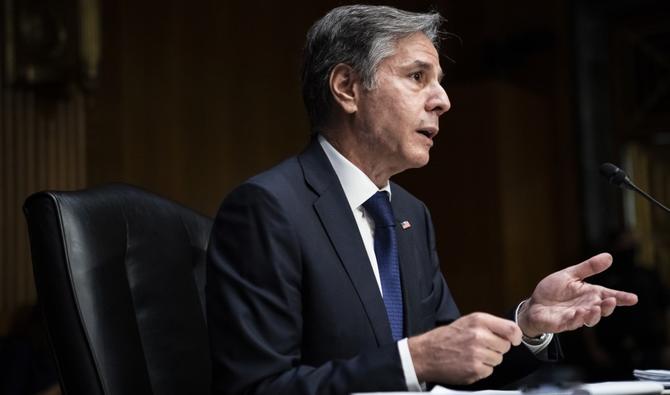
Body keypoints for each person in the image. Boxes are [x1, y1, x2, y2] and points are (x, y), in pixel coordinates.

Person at [205, 5, 638, 394]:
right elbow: (256, 387)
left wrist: (526, 325)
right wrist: (415, 360)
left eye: (440, 83)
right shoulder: (268, 208)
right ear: (347, 87)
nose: (444, 101)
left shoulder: (411, 213)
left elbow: (449, 356)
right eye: (417, 77)